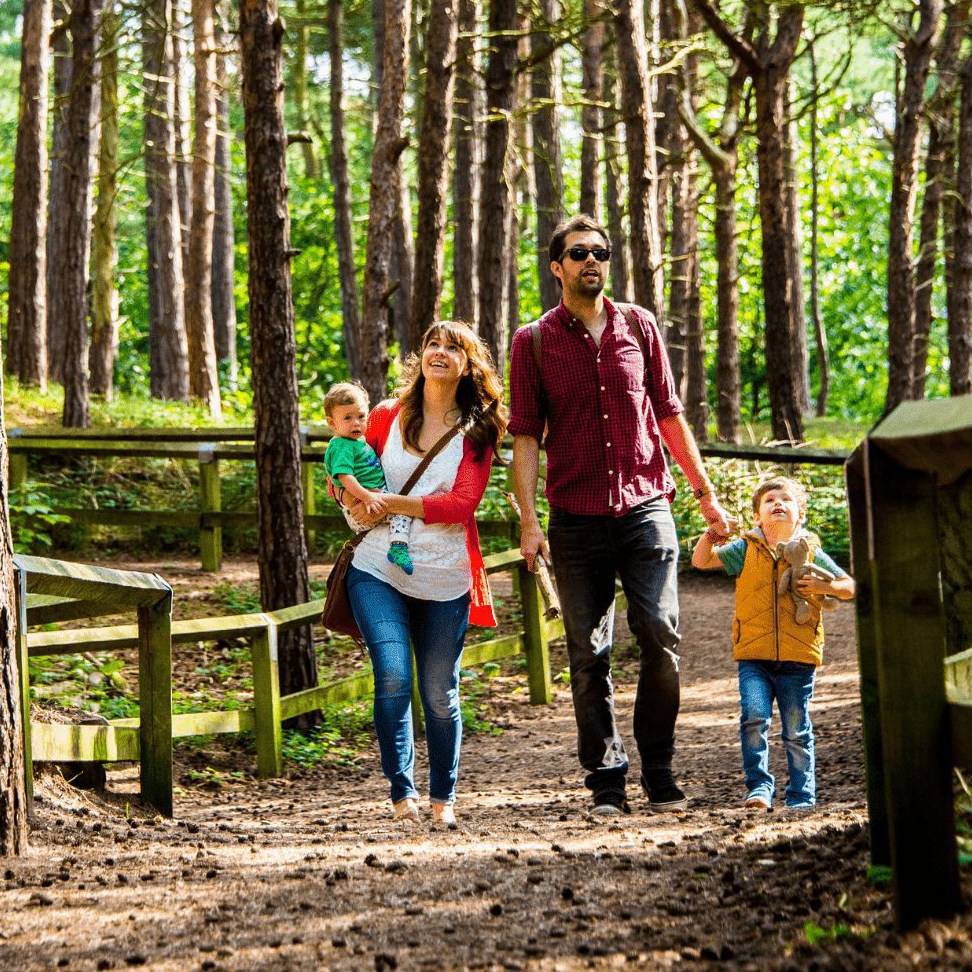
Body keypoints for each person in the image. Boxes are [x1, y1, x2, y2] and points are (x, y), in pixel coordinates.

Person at [508, 213, 735, 815]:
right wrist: (530, 523)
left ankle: (659, 770)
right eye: (578, 252)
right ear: (557, 267)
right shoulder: (532, 341)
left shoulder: (639, 325)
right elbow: (526, 436)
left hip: (645, 506)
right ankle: (606, 778)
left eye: (600, 252)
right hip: (575, 518)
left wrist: (706, 494)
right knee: (588, 653)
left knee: (661, 634)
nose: (591, 261)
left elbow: (668, 412)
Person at [344, 321, 504, 829]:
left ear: (467, 365)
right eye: (433, 343)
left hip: (444, 576)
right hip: (376, 565)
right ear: (422, 355)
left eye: (453, 347)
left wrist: (389, 502)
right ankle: (401, 791)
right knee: (392, 673)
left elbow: (462, 504)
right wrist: (350, 499)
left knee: (439, 691)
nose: (439, 352)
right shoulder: (387, 415)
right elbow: (345, 468)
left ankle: (444, 798)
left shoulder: (478, 430)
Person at [690, 476, 854, 811]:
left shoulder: (811, 552)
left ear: (800, 515)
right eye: (769, 501)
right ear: (757, 516)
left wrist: (826, 589)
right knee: (754, 716)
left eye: (786, 500)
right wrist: (712, 534)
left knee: (796, 729)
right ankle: (759, 788)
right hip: (753, 654)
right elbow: (701, 561)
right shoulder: (745, 549)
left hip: (798, 655)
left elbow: (848, 586)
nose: (778, 504)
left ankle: (801, 795)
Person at [322, 382, 415, 572]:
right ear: (332, 423)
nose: (356, 423)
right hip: (362, 502)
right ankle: (398, 547)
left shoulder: (357, 441)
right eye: (347, 418)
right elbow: (344, 476)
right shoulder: (342, 446)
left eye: (361, 416)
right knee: (402, 512)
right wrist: (366, 497)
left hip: (370, 496)